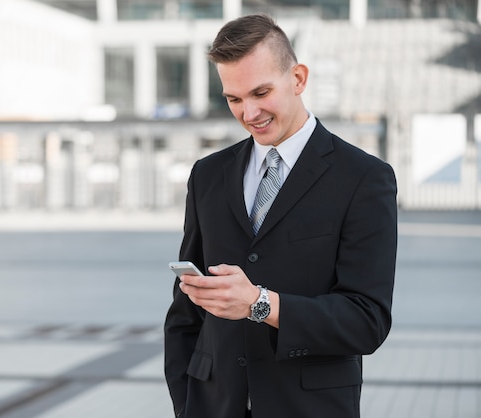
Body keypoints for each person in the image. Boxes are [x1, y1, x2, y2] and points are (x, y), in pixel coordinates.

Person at [164, 14, 397, 418]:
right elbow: (185, 315)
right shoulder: (207, 175)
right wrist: (186, 404)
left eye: (261, 92)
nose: (249, 112)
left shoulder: (364, 178)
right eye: (234, 99)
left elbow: (366, 320)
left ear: (299, 79)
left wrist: (259, 303)